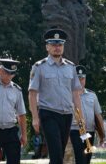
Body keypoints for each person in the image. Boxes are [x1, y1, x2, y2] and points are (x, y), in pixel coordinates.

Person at [28, 28, 84, 164]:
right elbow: (32, 93)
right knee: (56, 152)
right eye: (53, 45)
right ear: (47, 47)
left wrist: (80, 116)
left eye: (60, 45)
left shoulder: (71, 67)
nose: (57, 48)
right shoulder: (39, 66)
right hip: (48, 113)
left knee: (59, 153)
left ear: (63, 46)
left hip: (66, 115)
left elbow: (75, 93)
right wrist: (35, 118)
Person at [66, 65, 104, 164]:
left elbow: (98, 114)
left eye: (83, 78)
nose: (81, 80)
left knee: (87, 159)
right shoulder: (68, 95)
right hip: (75, 130)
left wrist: (102, 134)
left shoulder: (92, 95)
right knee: (80, 158)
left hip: (90, 131)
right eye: (78, 78)